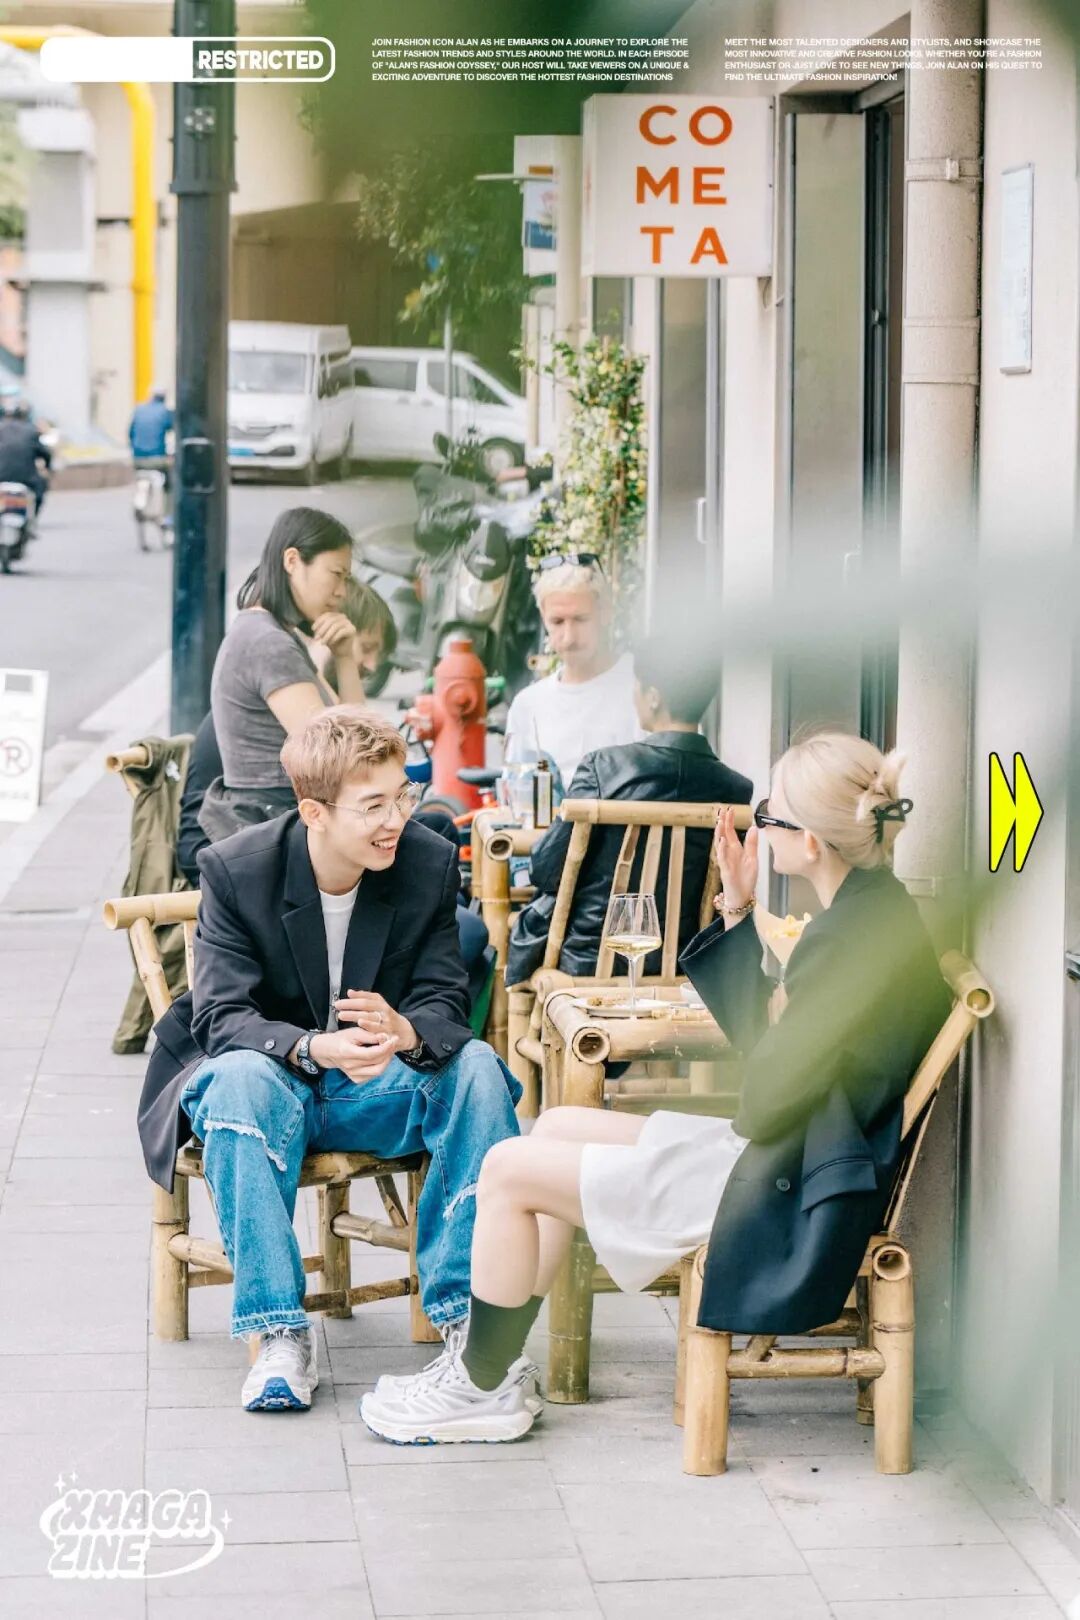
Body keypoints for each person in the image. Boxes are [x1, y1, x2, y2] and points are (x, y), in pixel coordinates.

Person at [359, 732, 951, 1445]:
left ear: (812, 842)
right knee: (554, 1126)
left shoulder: (845, 942)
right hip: (795, 1156)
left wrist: (779, 1011)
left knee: (507, 1166)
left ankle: (478, 1385)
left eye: (769, 816)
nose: (758, 829)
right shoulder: (871, 914)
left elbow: (764, 1097)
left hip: (786, 1186)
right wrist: (738, 911)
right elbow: (776, 1070)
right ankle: (496, 1366)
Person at [137, 706, 524, 1413]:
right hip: (271, 1083)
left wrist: (405, 1033)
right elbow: (222, 1017)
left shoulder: (427, 861)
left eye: (403, 796)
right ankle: (279, 1332)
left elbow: (444, 995)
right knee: (237, 1080)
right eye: (373, 806)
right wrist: (314, 1047)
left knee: (476, 1069)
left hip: (377, 1085)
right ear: (314, 812)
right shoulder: (238, 869)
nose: (396, 819)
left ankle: (469, 1321)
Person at [505, 633, 754, 985]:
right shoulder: (735, 789)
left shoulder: (602, 768)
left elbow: (545, 870)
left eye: (637, 684)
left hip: (589, 963)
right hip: (689, 964)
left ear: (653, 696)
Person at [199, 507, 369, 841]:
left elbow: (356, 733)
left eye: (346, 579)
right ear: (292, 561)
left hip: (288, 816)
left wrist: (345, 657)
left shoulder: (274, 633)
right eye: (336, 574)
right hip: (278, 823)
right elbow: (339, 758)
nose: (342, 592)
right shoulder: (268, 642)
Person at [504, 555, 641, 791]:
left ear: (606, 612)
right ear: (543, 617)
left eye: (581, 620)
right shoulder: (527, 706)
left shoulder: (642, 688)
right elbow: (515, 795)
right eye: (557, 622)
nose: (569, 638)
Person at [0, 399, 51, 515]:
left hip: (1, 476)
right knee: (40, 489)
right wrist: (47, 467)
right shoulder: (31, 431)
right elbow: (45, 453)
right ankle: (33, 516)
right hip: (26, 478)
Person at [129, 387, 174, 461]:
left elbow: (130, 433)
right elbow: (173, 428)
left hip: (138, 455)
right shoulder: (164, 411)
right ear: (164, 398)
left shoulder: (139, 409)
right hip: (157, 454)